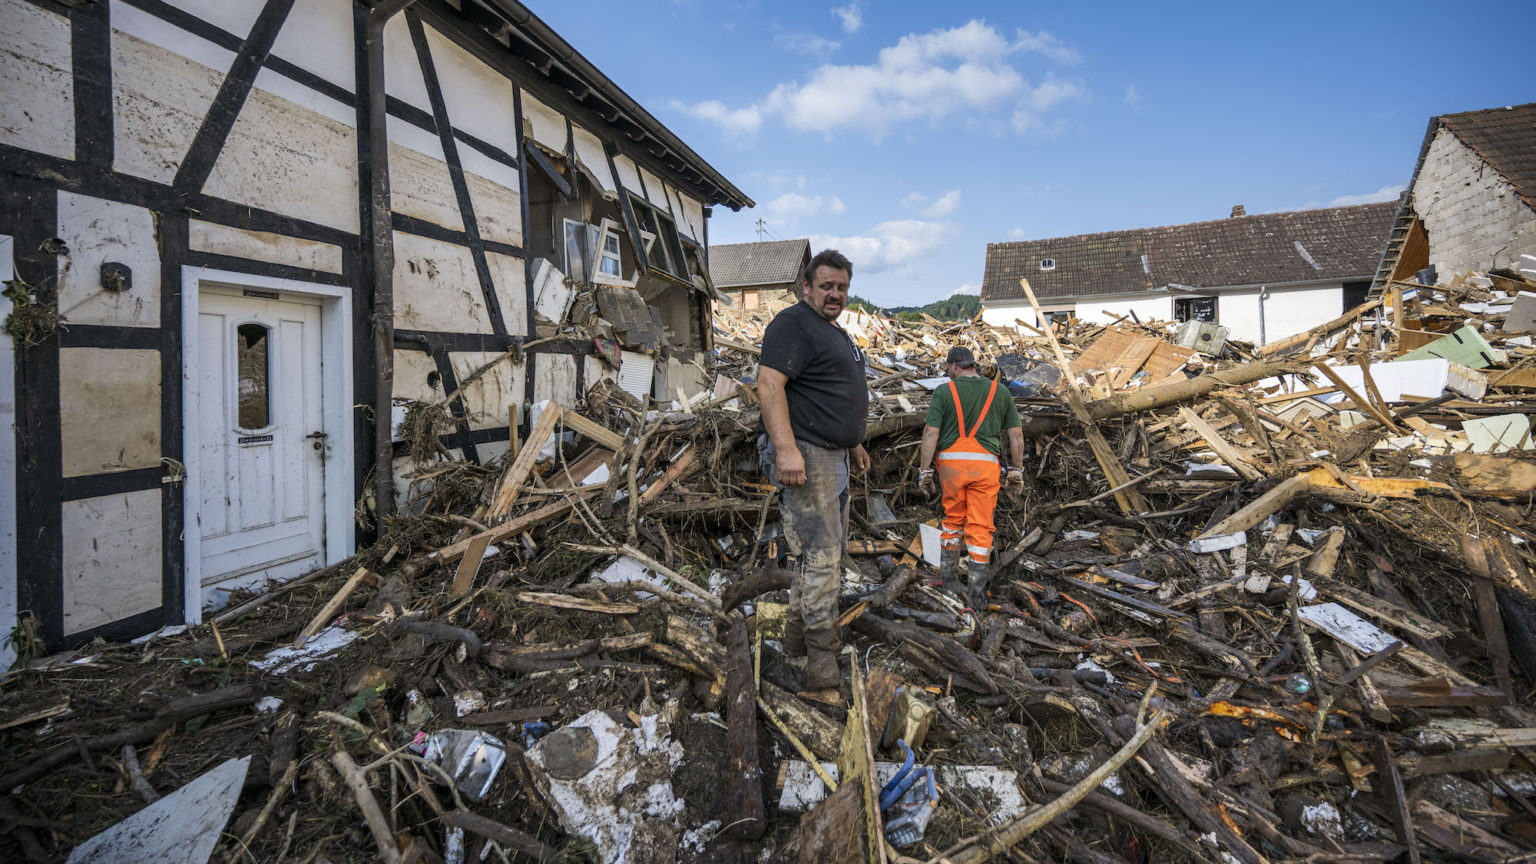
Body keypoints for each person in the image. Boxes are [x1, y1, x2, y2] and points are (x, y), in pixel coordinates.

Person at [756, 249, 871, 691]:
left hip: (834, 455)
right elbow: (769, 385)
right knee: (822, 559)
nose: (835, 294)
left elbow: (826, 393)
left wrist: (854, 442)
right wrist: (786, 450)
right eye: (826, 286)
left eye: (841, 287)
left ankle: (795, 643)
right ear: (806, 287)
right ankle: (822, 659)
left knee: (819, 556)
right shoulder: (793, 324)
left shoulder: (830, 331)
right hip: (809, 456)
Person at [917, 347, 1024, 610]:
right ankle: (976, 600)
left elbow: (931, 432)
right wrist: (1016, 470)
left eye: (947, 369)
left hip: (951, 469)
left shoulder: (944, 391)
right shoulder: (1000, 391)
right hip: (985, 469)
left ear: (954, 366)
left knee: (952, 521)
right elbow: (1016, 436)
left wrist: (925, 470)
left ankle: (951, 591)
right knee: (980, 528)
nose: (947, 373)